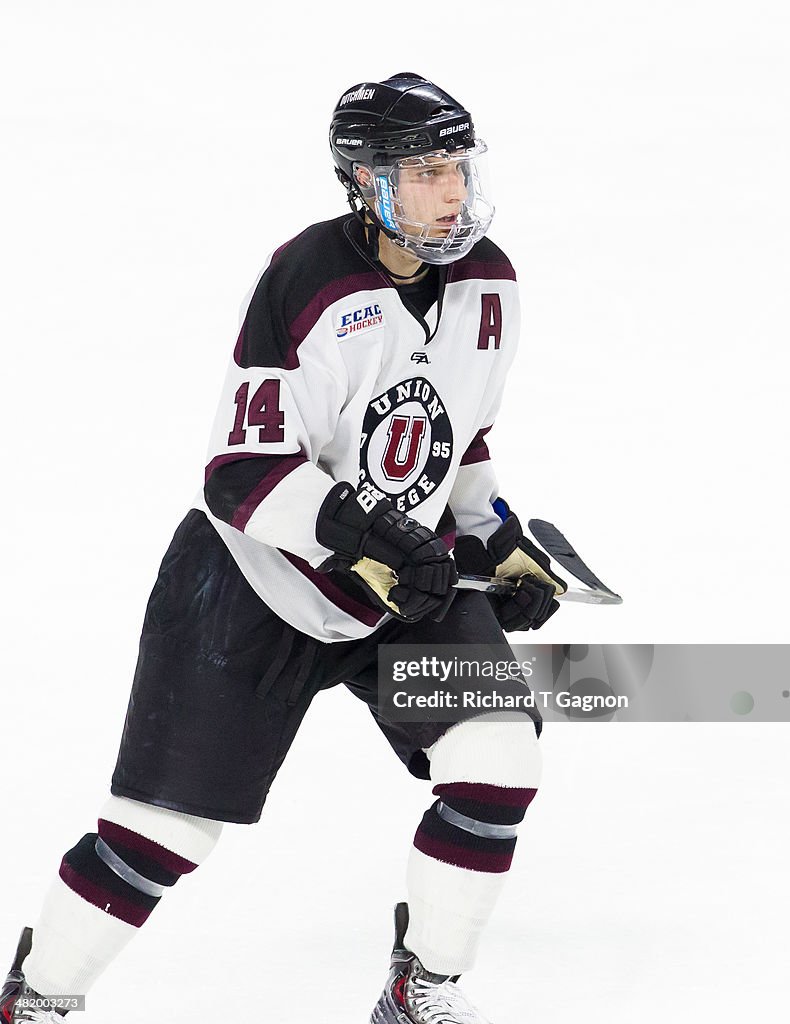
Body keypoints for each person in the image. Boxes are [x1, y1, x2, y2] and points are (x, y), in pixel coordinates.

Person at [1, 72, 567, 1024]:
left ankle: (419, 987)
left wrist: (493, 536)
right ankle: (39, 997)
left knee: (500, 758)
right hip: (247, 586)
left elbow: (458, 440)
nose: (452, 193)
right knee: (162, 834)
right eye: (425, 173)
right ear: (364, 182)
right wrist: (370, 527)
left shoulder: (491, 284)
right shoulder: (310, 279)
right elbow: (242, 470)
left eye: (458, 169)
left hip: (397, 587)